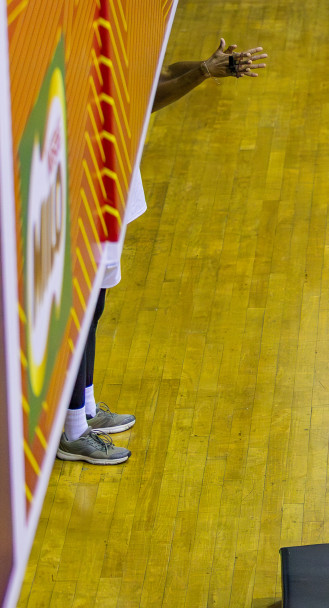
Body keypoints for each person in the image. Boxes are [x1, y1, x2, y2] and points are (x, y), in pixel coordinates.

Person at [57, 38, 267, 466]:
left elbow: (160, 71)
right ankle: (72, 431)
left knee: (94, 309)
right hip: (84, 199)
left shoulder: (106, 28)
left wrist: (208, 65)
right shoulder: (75, 58)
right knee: (80, 315)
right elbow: (143, 101)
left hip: (111, 194)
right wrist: (204, 73)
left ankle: (87, 407)